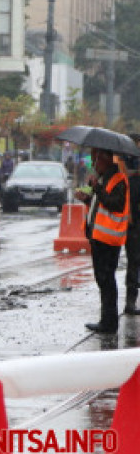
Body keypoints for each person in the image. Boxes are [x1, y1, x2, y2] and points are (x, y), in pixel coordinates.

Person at [75, 148, 129, 334]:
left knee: (106, 280)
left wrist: (96, 187)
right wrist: (87, 199)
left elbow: (115, 204)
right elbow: (101, 205)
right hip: (99, 237)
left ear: (104, 159)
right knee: (102, 279)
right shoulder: (106, 179)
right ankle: (106, 320)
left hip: (108, 238)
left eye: (95, 160)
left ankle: (109, 323)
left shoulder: (117, 179)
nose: (93, 165)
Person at [124, 134, 140, 315]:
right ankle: (130, 302)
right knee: (133, 262)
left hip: (132, 222)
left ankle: (130, 302)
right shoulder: (122, 164)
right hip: (129, 222)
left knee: (134, 262)